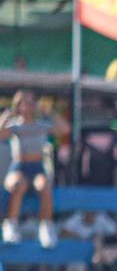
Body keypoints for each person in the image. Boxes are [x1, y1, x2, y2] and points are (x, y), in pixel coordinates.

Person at [2, 90, 64, 247]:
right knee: (18, 184)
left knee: (45, 186)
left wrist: (50, 112)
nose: (28, 107)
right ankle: (11, 224)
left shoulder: (42, 125)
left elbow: (64, 129)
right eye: (24, 103)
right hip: (19, 166)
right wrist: (5, 116)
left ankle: (45, 227)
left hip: (37, 167)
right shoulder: (15, 125)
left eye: (31, 103)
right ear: (18, 106)